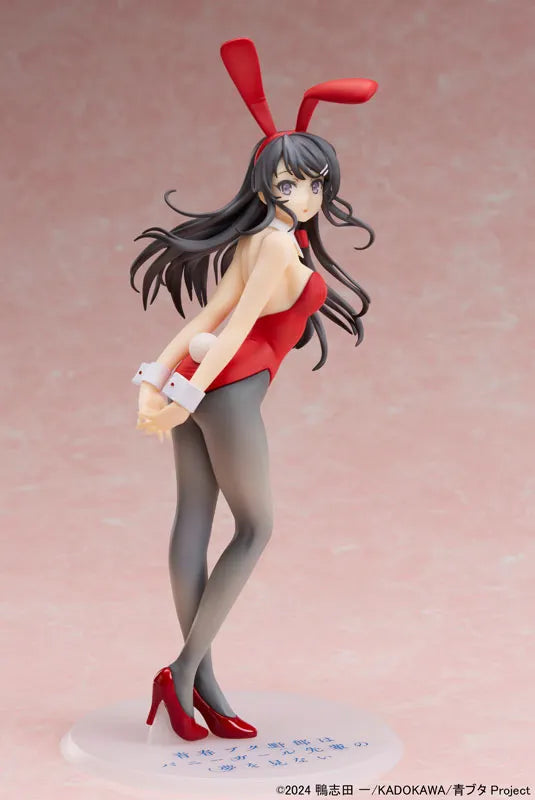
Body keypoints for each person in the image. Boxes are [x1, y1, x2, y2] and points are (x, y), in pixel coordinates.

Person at [130, 38, 378, 741]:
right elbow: (234, 324)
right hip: (228, 391)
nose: (310, 197)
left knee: (195, 518)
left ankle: (198, 687)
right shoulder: (272, 243)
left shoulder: (262, 239)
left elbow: (205, 317)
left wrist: (158, 379)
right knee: (256, 527)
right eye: (294, 184)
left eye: (317, 184)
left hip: (205, 384)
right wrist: (176, 395)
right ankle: (183, 673)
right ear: (267, 184)